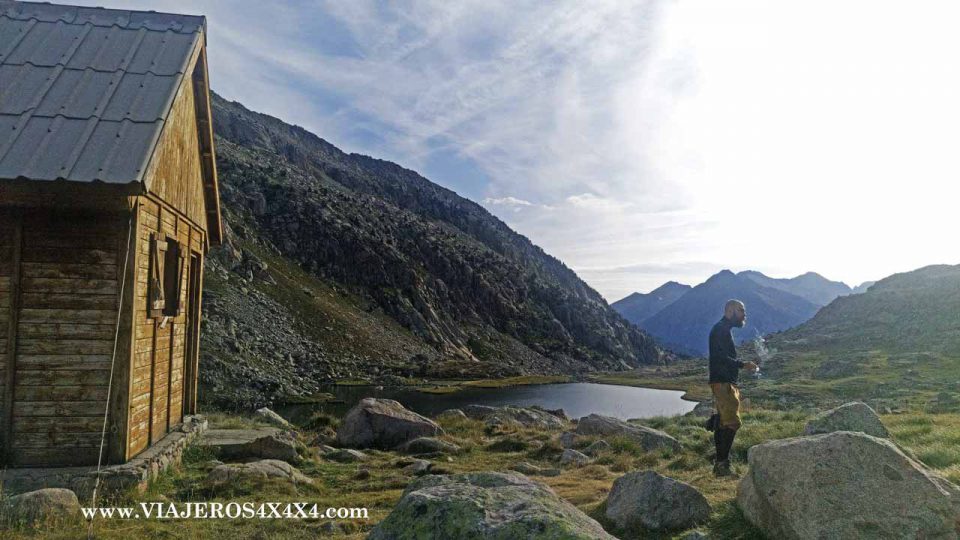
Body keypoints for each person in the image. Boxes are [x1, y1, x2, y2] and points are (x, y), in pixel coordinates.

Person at [706, 299, 757, 477]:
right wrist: (743, 365)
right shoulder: (721, 329)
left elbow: (721, 356)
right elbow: (721, 357)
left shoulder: (723, 329)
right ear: (729, 311)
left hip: (723, 381)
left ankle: (720, 464)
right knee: (732, 423)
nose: (744, 314)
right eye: (741, 310)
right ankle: (722, 465)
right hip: (723, 382)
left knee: (722, 423)